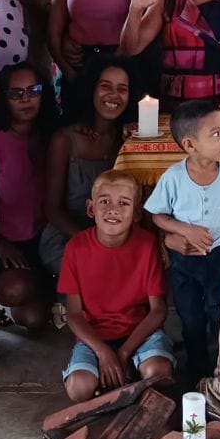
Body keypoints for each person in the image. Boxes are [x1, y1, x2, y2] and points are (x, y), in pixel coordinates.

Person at [147, 100, 220, 378]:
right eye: (216, 134)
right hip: (185, 263)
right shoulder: (174, 178)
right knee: (190, 317)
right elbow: (157, 215)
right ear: (190, 145)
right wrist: (184, 230)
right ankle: (197, 372)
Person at [60, 171, 175, 402]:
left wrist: (123, 352)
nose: (113, 210)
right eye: (105, 202)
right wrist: (103, 352)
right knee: (79, 388)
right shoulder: (76, 247)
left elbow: (158, 310)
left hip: (139, 334)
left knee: (158, 373)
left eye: (124, 203)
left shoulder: (146, 244)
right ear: (91, 208)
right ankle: (124, 377)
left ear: (136, 213)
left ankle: (125, 372)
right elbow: (73, 314)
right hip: (95, 338)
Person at [0, 63, 55, 332]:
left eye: (33, 90)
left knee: (34, 320)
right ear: (2, 97)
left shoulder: (51, 135)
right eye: (15, 93)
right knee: (16, 290)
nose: (26, 99)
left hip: (39, 239)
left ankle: (42, 287)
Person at [40, 57, 134, 276]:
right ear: (91, 89)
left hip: (116, 232)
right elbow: (53, 210)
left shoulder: (127, 138)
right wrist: (96, 242)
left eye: (122, 89)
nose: (114, 95)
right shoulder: (65, 139)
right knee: (101, 273)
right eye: (105, 86)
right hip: (68, 234)